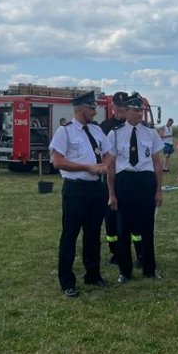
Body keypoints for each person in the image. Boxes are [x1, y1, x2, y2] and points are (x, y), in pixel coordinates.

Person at [50, 91, 114, 298]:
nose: (95, 112)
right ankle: (67, 281)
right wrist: (87, 167)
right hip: (76, 189)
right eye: (92, 108)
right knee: (70, 235)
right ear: (80, 109)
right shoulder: (65, 131)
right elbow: (57, 161)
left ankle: (93, 274)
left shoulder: (96, 130)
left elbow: (108, 152)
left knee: (93, 234)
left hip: (96, 188)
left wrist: (105, 164)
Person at [106, 92, 163, 283]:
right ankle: (125, 271)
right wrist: (112, 193)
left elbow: (157, 162)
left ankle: (149, 268)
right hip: (125, 181)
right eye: (137, 110)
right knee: (123, 229)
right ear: (126, 110)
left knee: (147, 227)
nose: (141, 113)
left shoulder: (151, 132)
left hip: (145, 181)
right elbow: (111, 166)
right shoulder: (115, 133)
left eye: (142, 110)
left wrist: (158, 189)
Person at [100, 92, 130, 265]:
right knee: (111, 218)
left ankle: (139, 251)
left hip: (128, 179)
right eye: (118, 106)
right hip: (110, 178)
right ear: (112, 107)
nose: (121, 110)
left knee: (132, 217)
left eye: (124, 107)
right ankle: (115, 252)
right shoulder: (105, 126)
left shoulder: (136, 126)